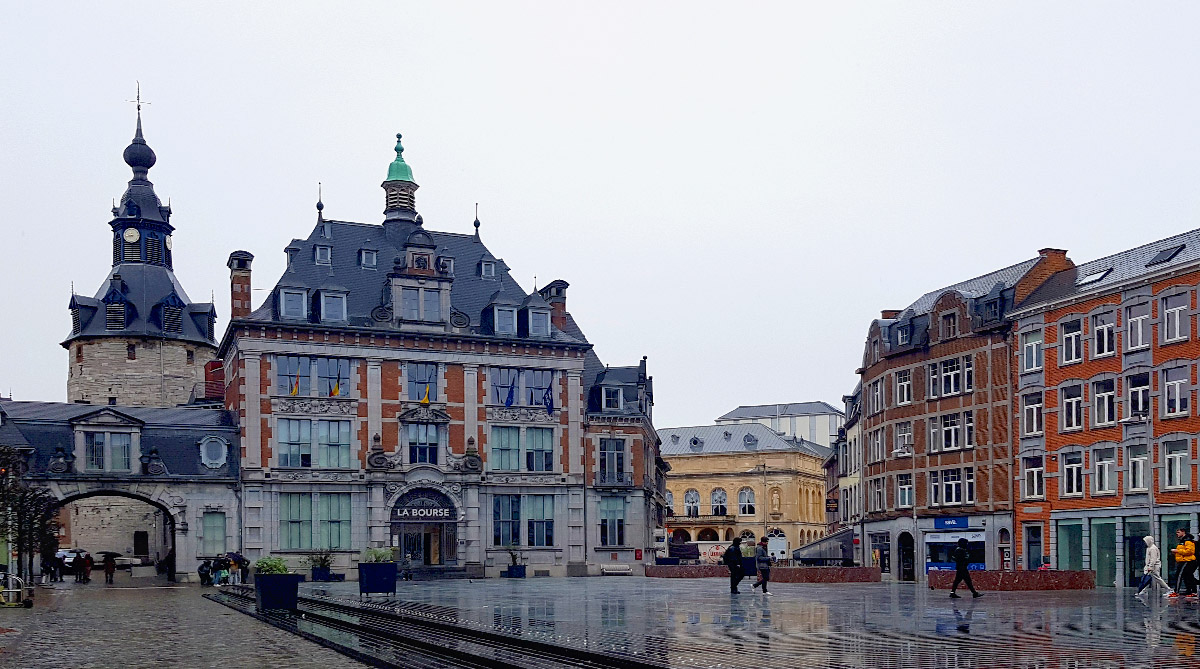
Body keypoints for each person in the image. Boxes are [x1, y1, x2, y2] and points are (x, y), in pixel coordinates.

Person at [1170, 528, 1197, 598]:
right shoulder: (1182, 541)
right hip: (1183, 560)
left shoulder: (1187, 540)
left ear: (1183, 532)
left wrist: (1177, 551)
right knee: (1187, 576)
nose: (1177, 534)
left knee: (1179, 575)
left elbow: (1190, 551)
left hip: (1187, 560)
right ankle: (1191, 591)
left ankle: (1176, 591)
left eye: (1178, 532)